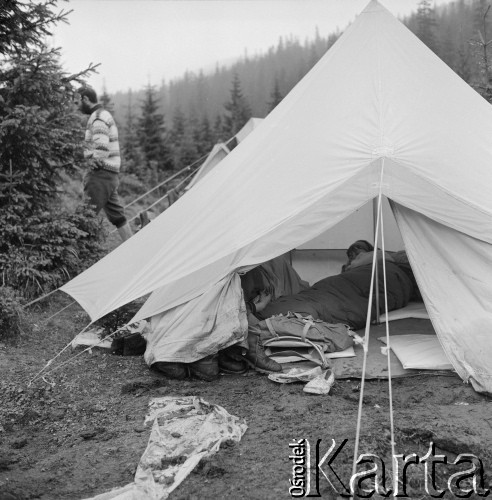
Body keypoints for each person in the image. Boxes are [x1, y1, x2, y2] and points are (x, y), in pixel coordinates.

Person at [74, 86, 132, 242]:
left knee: (84, 217)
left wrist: (91, 170)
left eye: (76, 102)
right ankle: (134, 247)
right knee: (118, 217)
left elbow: (100, 150)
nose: (76, 107)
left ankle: (80, 257)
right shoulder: (102, 115)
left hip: (100, 174)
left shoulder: (98, 117)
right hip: (109, 174)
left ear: (85, 99)